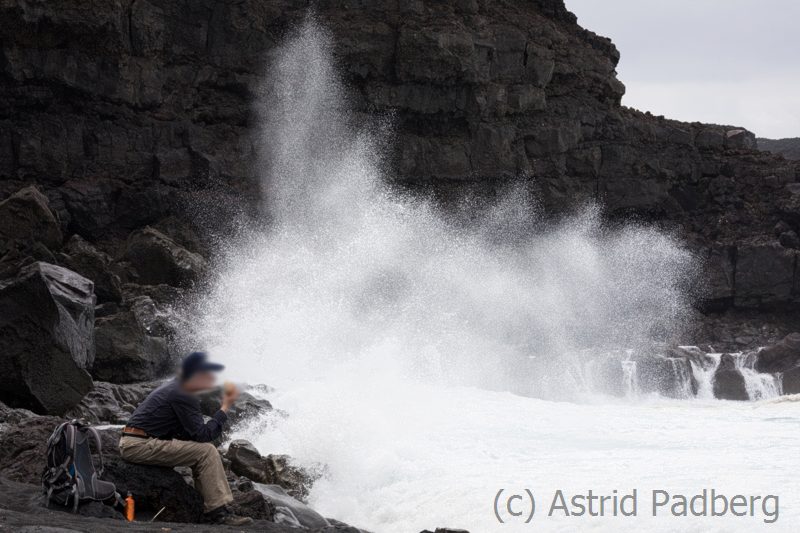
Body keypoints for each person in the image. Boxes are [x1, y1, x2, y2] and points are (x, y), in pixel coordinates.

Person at [119, 351, 253, 526]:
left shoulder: (174, 387)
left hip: (135, 442)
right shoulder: (183, 393)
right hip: (138, 445)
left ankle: (209, 506)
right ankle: (219, 513)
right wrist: (225, 408)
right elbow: (203, 436)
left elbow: (189, 434)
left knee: (200, 451)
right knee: (207, 452)